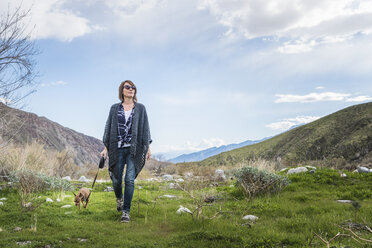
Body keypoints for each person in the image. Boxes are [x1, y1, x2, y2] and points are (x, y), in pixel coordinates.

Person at [101, 80, 152, 223]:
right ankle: (119, 199)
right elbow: (109, 128)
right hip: (117, 149)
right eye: (128, 87)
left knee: (129, 180)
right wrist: (106, 148)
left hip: (133, 149)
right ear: (122, 91)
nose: (131, 89)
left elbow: (145, 128)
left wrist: (147, 147)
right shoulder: (114, 108)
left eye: (133, 87)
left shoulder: (141, 108)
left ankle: (126, 212)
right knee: (116, 180)